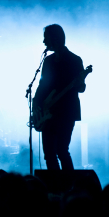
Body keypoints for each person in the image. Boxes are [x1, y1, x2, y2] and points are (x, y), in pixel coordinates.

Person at [33, 24, 86, 170]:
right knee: (49, 154)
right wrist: (36, 106)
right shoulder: (48, 61)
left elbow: (81, 88)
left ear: (55, 38)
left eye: (46, 38)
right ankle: (55, 186)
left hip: (66, 113)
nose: (44, 42)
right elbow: (43, 85)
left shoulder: (74, 60)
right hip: (48, 113)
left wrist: (80, 82)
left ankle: (69, 186)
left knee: (61, 151)